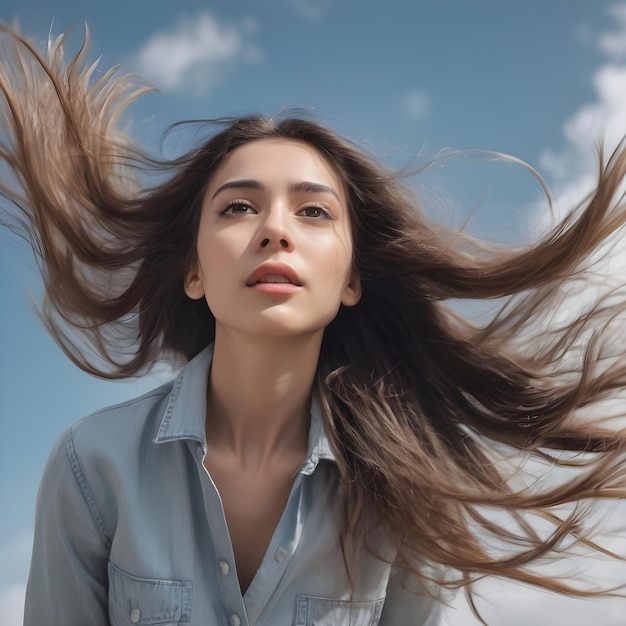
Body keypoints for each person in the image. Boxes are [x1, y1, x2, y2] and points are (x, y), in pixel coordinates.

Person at [2, 25, 626, 626]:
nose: (276, 230)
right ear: (193, 271)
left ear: (351, 279)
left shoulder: (408, 493)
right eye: (239, 207)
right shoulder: (91, 466)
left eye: (314, 211)